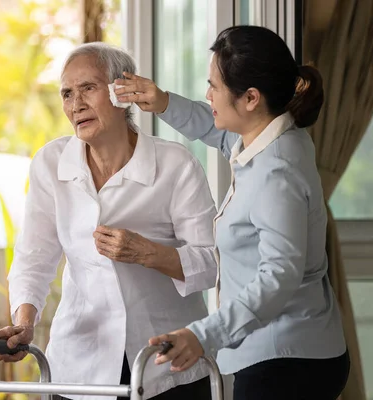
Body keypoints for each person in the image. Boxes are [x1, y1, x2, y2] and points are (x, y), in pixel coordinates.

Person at [115, 25, 349, 400]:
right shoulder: (277, 136)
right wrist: (164, 102)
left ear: (251, 98)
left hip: (286, 361)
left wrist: (202, 334)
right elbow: (219, 131)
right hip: (292, 351)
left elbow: (279, 275)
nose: (207, 95)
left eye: (214, 88)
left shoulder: (276, 173)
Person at [0, 43, 218, 400]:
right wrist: (24, 324)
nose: (75, 104)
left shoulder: (175, 164)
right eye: (66, 93)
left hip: (166, 368)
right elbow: (35, 257)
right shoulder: (51, 163)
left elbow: (213, 263)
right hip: (80, 367)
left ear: (121, 92)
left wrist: (149, 253)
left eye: (87, 88)